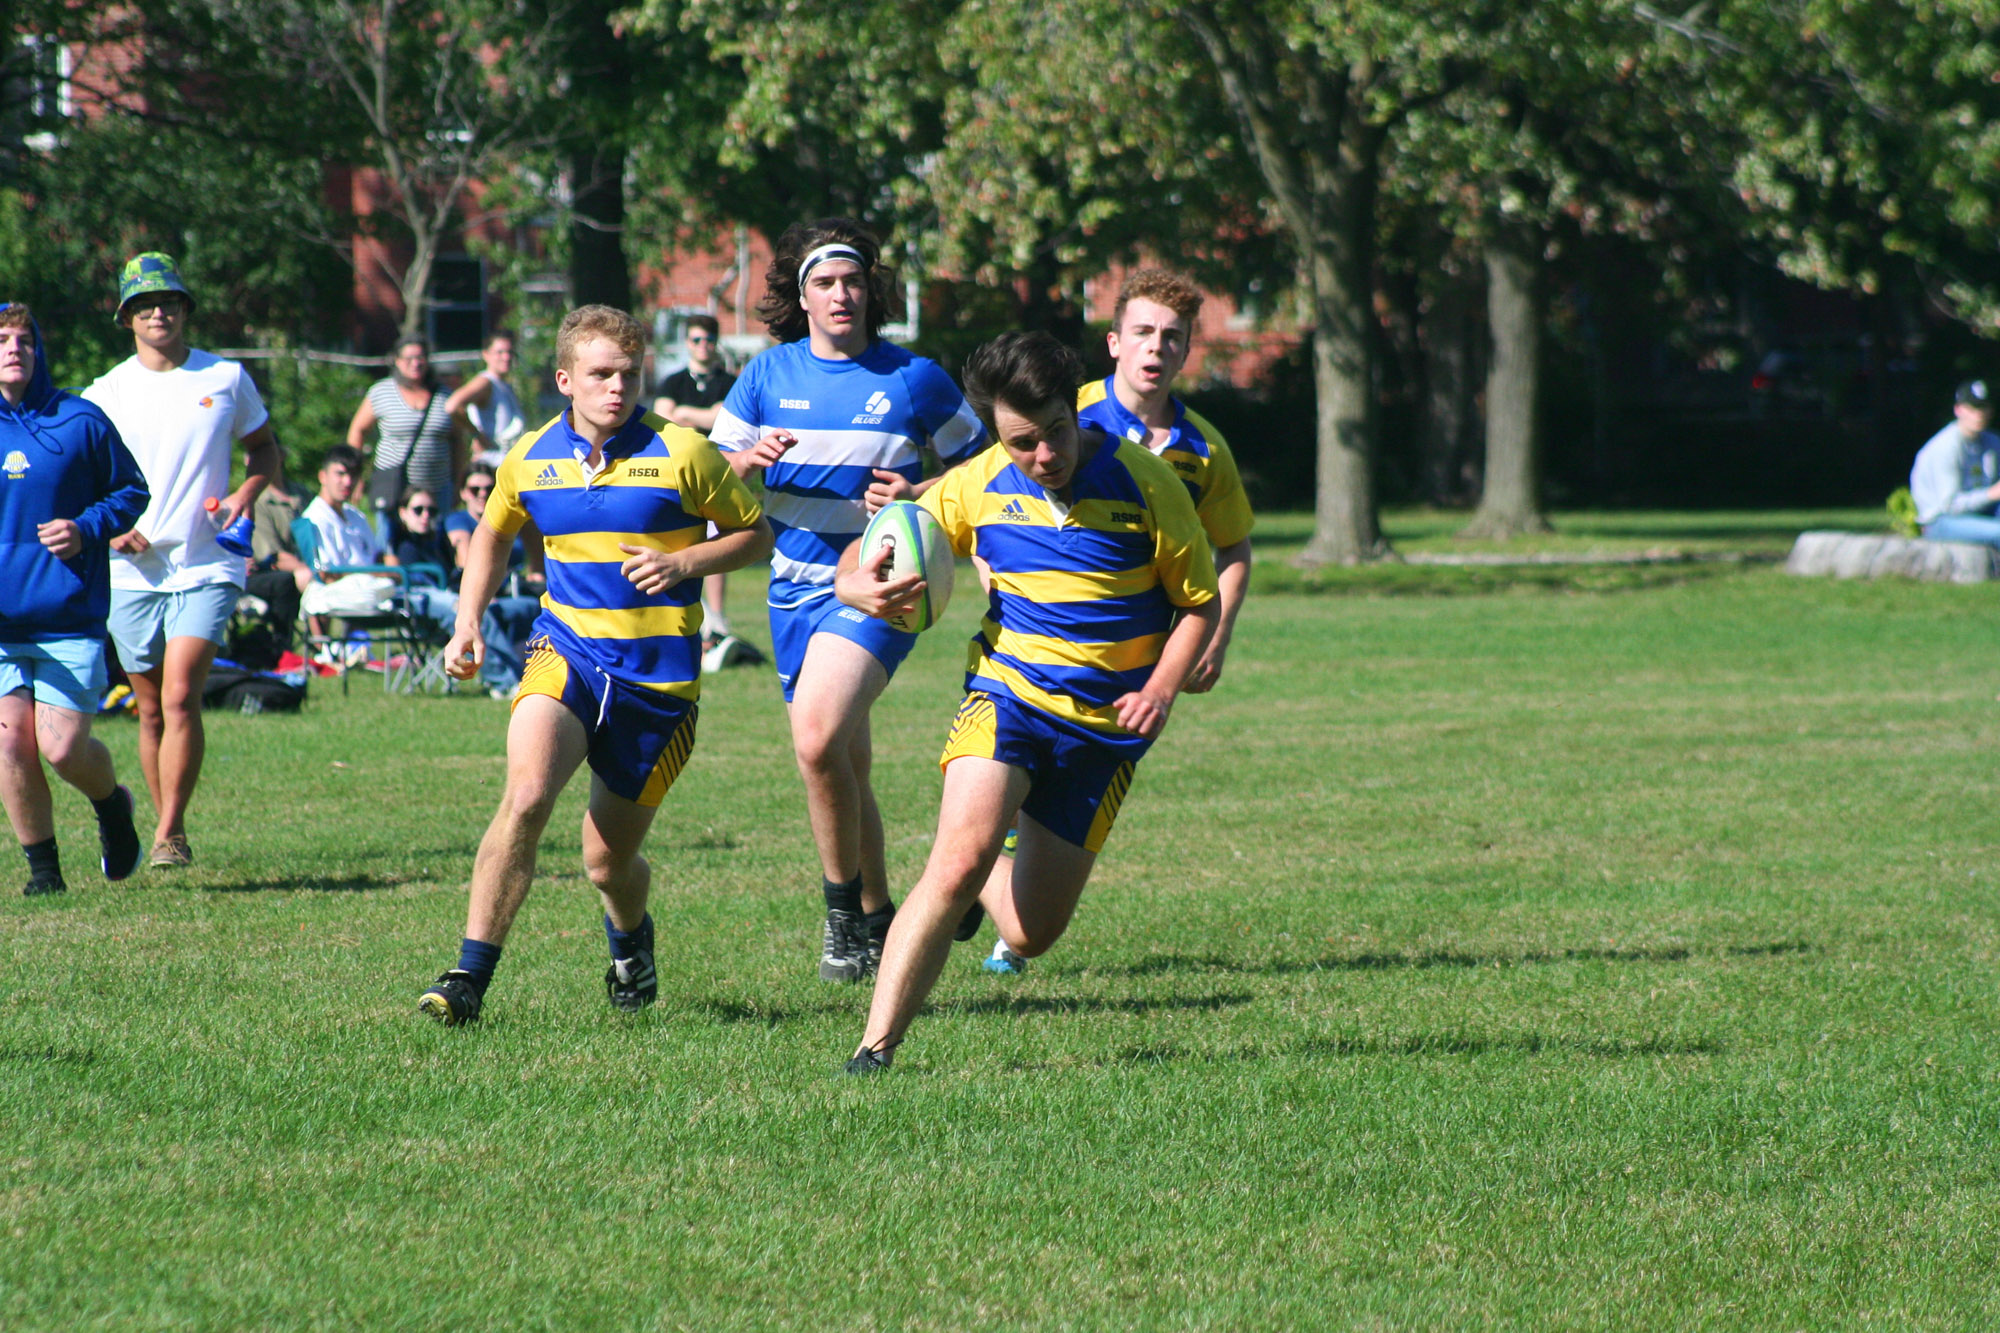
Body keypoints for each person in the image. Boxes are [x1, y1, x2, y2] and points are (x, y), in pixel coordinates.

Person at [833, 331, 1218, 1072]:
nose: (1045, 455)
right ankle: (873, 1048)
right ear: (996, 435)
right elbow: (882, 538)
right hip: (1007, 693)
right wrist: (855, 582)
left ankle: (990, 889)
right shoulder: (976, 481)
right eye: (1023, 442)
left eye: (1056, 433)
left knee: (1035, 932)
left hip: (1105, 730)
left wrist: (1160, 688)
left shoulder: (1145, 482)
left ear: (1075, 411)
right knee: (957, 858)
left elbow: (1196, 603)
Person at [416, 304, 772, 1025]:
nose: (618, 388)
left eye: (630, 374)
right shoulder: (528, 456)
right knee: (526, 795)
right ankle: (468, 977)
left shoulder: (685, 452)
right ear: (565, 379)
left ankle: (630, 938)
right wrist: (466, 623)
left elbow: (755, 535)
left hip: (657, 682)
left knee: (606, 863)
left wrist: (685, 561)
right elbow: (490, 537)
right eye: (602, 374)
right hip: (567, 652)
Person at [707, 218, 988, 982]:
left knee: (816, 739)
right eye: (824, 283)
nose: (841, 294)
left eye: (853, 281)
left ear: (872, 289)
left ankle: (841, 916)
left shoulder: (914, 377)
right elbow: (707, 479)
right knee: (844, 763)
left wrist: (918, 489)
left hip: (881, 583)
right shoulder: (766, 376)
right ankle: (900, 908)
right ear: (800, 295)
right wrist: (743, 460)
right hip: (793, 592)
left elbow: (989, 469)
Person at [980, 269, 1258, 974]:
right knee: (1015, 767)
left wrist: (1215, 638)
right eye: (1142, 332)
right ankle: (981, 891)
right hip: (1032, 644)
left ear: (1190, 349)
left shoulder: (1202, 450)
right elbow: (982, 495)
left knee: (1062, 788)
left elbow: (1233, 546)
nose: (1155, 349)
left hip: (1136, 661)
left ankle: (983, 881)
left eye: (1172, 337)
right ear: (1113, 341)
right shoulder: (1062, 415)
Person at [84, 252, 277, 870]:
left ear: (185, 310)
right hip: (131, 568)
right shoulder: (105, 392)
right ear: (128, 318)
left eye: (168, 301)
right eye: (144, 305)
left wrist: (246, 495)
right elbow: (76, 477)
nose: (158, 312)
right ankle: (162, 819)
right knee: (146, 709)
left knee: (179, 696)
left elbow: (265, 451)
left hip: (207, 562)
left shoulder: (225, 377)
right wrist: (112, 532)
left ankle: (170, 831)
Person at [0, 301, 148, 895]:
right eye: (2, 339)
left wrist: (85, 527)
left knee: (61, 749)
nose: (14, 348)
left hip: (67, 615)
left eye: (24, 339)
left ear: (39, 351)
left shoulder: (79, 420)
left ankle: (113, 806)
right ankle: (45, 874)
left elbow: (132, 490)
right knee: (9, 740)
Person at [653, 313, 749, 657]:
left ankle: (718, 617)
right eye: (696, 340)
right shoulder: (673, 380)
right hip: (677, 470)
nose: (702, 347)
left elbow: (723, 417)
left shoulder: (730, 382)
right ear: (687, 344)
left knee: (717, 536)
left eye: (708, 340)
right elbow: (664, 418)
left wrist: (686, 415)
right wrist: (702, 414)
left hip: (719, 469)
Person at [346, 334, 461, 542]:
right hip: (393, 487)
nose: (415, 363)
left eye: (420, 357)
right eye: (409, 358)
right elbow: (358, 430)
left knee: (437, 543)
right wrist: (356, 474)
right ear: (397, 361)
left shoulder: (445, 396)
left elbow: (458, 440)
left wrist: (457, 483)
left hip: (436, 487)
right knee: (389, 542)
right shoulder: (381, 392)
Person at [442, 465, 544, 696]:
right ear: (463, 493)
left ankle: (533, 675)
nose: (481, 494)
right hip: (474, 595)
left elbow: (536, 553)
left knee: (535, 607)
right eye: (474, 488)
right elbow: (466, 556)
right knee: (486, 615)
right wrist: (485, 593)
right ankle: (507, 683)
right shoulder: (459, 520)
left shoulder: (513, 520)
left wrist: (536, 574)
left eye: (489, 489)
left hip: (514, 593)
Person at [1910, 379, 2000, 546]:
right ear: (1958, 410)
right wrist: (1991, 494)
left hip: (1980, 512)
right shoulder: (1946, 447)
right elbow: (1950, 505)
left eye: (1983, 407)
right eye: (1972, 408)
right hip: (1940, 521)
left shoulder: (1993, 442)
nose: (1978, 414)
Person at [446, 329, 526, 469]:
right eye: (500, 352)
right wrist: (476, 434)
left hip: (506, 462)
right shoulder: (485, 382)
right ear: (486, 354)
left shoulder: (505, 385)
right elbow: (452, 406)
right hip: (491, 463)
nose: (506, 357)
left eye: (510, 352)